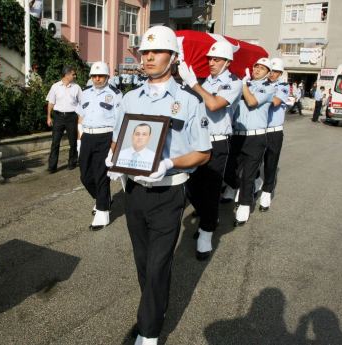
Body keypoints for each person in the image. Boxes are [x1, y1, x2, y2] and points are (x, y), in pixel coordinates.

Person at [105, 25, 211, 345]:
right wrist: (114, 161)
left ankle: (149, 332)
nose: (149, 57)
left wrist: (168, 163)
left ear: (173, 57)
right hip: (134, 192)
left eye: (157, 52)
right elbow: (117, 142)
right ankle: (155, 307)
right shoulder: (128, 99)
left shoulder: (189, 102)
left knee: (157, 266)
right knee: (143, 263)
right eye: (145, 52)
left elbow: (203, 153)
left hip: (168, 192)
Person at [178, 40, 242, 261]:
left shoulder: (234, 82)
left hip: (217, 142)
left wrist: (194, 84)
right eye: (209, 59)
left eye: (216, 59)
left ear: (227, 62)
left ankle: (206, 234)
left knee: (211, 190)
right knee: (191, 187)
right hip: (197, 141)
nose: (211, 62)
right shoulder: (205, 81)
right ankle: (209, 218)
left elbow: (214, 105)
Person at [223, 58, 275, 226]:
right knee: (229, 169)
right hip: (237, 135)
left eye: (262, 68)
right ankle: (238, 187)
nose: (258, 70)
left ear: (268, 73)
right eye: (256, 67)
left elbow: (252, 102)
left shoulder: (268, 88)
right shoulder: (242, 85)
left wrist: (243, 84)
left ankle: (244, 207)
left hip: (255, 137)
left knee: (248, 175)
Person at [76, 61, 122, 230]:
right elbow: (80, 117)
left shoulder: (116, 94)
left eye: (100, 76)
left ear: (107, 77)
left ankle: (103, 212)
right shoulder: (85, 93)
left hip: (105, 137)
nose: (97, 79)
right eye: (94, 76)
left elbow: (119, 123)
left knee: (101, 175)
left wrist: (113, 147)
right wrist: (79, 140)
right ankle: (103, 199)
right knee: (85, 176)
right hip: (87, 136)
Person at [259, 58, 289, 212]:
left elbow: (275, 102)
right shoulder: (261, 85)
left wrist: (258, 96)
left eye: (276, 72)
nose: (272, 74)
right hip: (259, 130)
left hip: (274, 131)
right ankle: (257, 183)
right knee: (254, 162)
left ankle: (266, 192)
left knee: (271, 164)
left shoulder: (283, 87)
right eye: (271, 71)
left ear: (280, 73)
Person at [46, 65, 82, 173]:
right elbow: (51, 102)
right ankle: (52, 166)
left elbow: (82, 103)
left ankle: (72, 163)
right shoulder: (55, 87)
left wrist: (80, 118)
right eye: (73, 74)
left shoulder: (77, 87)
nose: (75, 76)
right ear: (66, 75)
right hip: (58, 117)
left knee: (73, 142)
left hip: (72, 117)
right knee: (55, 142)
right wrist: (48, 117)